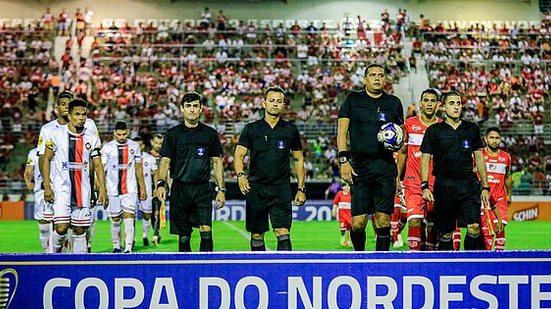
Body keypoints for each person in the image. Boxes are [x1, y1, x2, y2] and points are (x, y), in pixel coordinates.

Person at [420, 91, 503, 250]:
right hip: (444, 184)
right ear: (443, 107)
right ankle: (447, 268)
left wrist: (485, 187)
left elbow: (479, 158)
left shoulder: (471, 129)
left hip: (468, 183)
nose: (456, 107)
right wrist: (424, 186)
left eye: (458, 103)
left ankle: (469, 262)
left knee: (474, 227)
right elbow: (425, 160)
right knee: (445, 234)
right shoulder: (434, 131)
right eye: (452, 103)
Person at [337, 63, 404, 251]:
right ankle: (360, 259)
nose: (377, 78)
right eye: (372, 75)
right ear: (365, 79)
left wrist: (397, 142)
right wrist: (343, 160)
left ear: (385, 79)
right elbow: (342, 132)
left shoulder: (394, 103)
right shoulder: (352, 100)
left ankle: (381, 263)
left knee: (383, 221)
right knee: (358, 223)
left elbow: (402, 134)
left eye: (380, 75)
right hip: (359, 167)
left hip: (384, 167)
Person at [234, 86, 306, 251]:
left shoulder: (290, 130)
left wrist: (301, 188)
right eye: (272, 100)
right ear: (264, 103)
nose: (275, 104)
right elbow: (238, 155)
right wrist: (240, 175)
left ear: (283, 105)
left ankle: (284, 272)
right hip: (256, 188)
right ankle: (259, 270)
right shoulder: (252, 129)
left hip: (281, 189)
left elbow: (298, 159)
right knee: (257, 234)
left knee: (283, 232)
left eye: (279, 101)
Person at [156, 92, 226, 252]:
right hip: (180, 189)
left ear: (201, 109)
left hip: (202, 188)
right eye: (188, 106)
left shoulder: (210, 134)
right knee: (184, 235)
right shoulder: (173, 134)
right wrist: (161, 183)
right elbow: (165, 161)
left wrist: (221, 189)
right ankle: (186, 273)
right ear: (182, 109)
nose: (192, 110)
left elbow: (217, 162)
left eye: (195, 106)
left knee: (206, 231)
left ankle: (207, 270)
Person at [41, 99, 108, 253]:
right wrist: (47, 186)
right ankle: (53, 257)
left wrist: (103, 190)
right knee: (61, 227)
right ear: (69, 116)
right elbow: (46, 159)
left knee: (79, 230)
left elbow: (98, 165)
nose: (81, 118)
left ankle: (79, 266)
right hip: (62, 190)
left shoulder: (92, 137)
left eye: (84, 114)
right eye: (77, 114)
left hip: (83, 191)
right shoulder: (55, 134)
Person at [397, 88, 441, 251]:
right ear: (420, 104)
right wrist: (397, 177)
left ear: (438, 105)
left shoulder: (442, 127)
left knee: (431, 226)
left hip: (436, 184)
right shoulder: (409, 124)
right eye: (426, 100)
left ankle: (429, 257)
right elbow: (402, 153)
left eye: (432, 101)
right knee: (414, 220)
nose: (429, 103)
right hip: (413, 182)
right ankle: (413, 259)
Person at [102, 121, 147, 253]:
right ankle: (116, 246)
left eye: (124, 134)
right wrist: (101, 188)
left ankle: (128, 248)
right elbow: (102, 169)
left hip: (130, 189)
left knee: (129, 217)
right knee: (115, 220)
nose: (121, 137)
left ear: (128, 132)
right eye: (119, 134)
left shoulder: (134, 146)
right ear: (114, 133)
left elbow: (139, 168)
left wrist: (142, 188)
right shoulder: (108, 147)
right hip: (113, 189)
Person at [481, 127, 511, 250]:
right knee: (486, 233)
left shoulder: (506, 157)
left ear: (501, 140)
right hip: (483, 199)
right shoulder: (479, 155)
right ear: (485, 139)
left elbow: (508, 176)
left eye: (497, 138)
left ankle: (500, 258)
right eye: (491, 137)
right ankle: (486, 261)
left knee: (500, 227)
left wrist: (509, 194)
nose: (494, 140)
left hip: (499, 198)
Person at [24, 147, 51, 252]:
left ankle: (47, 251)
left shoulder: (33, 152)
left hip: (41, 191)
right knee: (60, 223)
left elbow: (28, 172)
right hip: (53, 190)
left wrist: (29, 183)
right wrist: (28, 181)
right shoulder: (33, 152)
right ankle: (58, 252)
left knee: (43, 224)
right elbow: (28, 172)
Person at [133, 136, 159, 246]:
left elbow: (156, 173)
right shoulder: (128, 157)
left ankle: (145, 236)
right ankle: (131, 239)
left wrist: (157, 188)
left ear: (143, 146)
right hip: (132, 191)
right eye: (136, 145)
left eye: (140, 145)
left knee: (147, 215)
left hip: (147, 190)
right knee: (130, 217)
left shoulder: (150, 158)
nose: (138, 147)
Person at [149, 134, 164, 244]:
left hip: (159, 188)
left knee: (158, 212)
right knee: (150, 213)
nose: (158, 146)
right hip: (147, 187)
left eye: (160, 143)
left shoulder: (164, 157)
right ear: (152, 142)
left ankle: (156, 233)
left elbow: (167, 173)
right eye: (156, 143)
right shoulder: (146, 156)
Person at [332, 182, 352, 247]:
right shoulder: (339, 194)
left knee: (350, 229)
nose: (347, 188)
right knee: (343, 229)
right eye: (345, 186)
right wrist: (334, 211)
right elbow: (335, 203)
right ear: (342, 187)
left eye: (348, 186)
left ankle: (349, 240)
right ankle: (342, 237)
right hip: (342, 216)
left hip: (350, 215)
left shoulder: (351, 194)